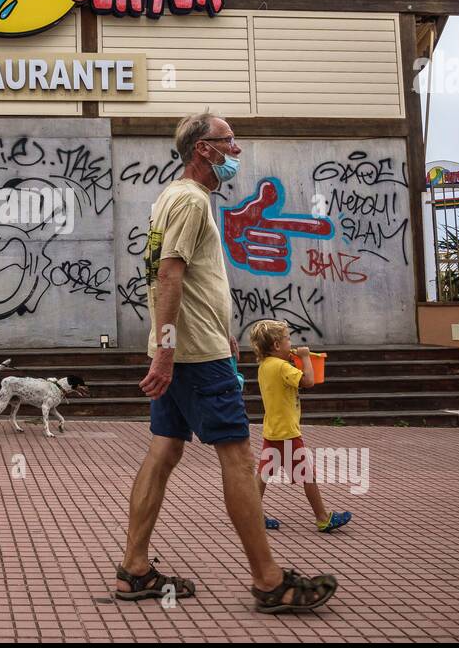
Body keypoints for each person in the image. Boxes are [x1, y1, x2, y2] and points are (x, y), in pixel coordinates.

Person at [115, 111, 338, 613]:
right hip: (194, 356)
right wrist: (170, 351)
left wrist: (210, 337)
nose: (236, 149)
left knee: (164, 450)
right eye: (227, 141)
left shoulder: (172, 198)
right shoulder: (191, 201)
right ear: (203, 150)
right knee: (237, 455)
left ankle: (134, 568)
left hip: (190, 348)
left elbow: (182, 280)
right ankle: (268, 579)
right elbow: (169, 276)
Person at [249, 319, 352, 532]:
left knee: (264, 474)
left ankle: (252, 515)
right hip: (287, 431)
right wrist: (305, 358)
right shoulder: (281, 366)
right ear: (277, 345)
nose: (291, 343)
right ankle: (323, 518)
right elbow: (308, 381)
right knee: (308, 475)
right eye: (288, 339)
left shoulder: (265, 366)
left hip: (273, 429)